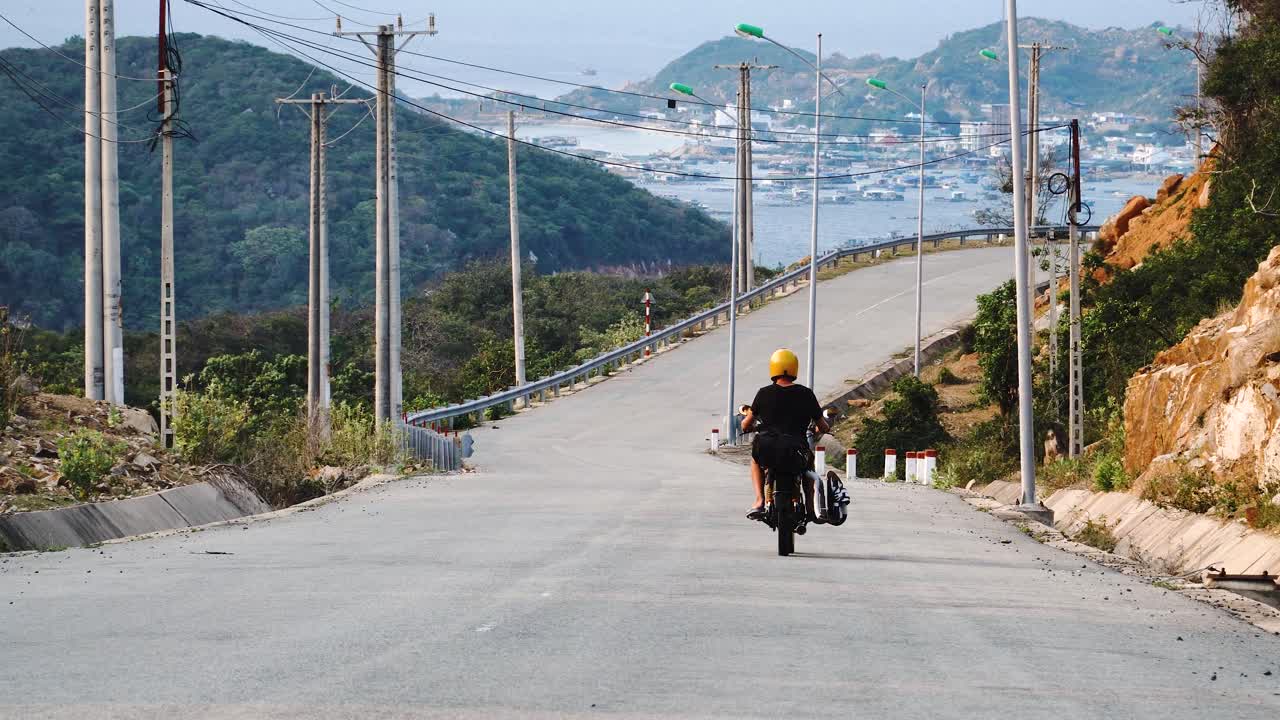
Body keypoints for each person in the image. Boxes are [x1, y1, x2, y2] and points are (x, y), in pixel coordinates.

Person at [741, 348, 829, 520]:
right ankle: (811, 508)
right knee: (807, 470)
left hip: (768, 448)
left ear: (773, 368)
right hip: (796, 447)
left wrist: (748, 426)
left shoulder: (763, 393)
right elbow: (823, 425)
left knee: (755, 460)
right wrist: (822, 428)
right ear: (794, 368)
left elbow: (746, 423)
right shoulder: (806, 393)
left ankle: (759, 500)